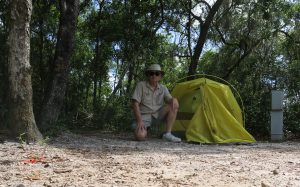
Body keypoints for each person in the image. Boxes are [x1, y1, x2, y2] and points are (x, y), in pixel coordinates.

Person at [131, 64, 181, 142]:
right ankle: (145, 130)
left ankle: (167, 134)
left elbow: (169, 99)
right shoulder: (141, 85)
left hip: (158, 115)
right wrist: (140, 121)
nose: (154, 75)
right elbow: (135, 103)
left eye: (157, 73)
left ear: (160, 76)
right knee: (140, 137)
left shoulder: (163, 88)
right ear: (148, 75)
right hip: (144, 116)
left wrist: (174, 99)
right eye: (151, 73)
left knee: (174, 104)